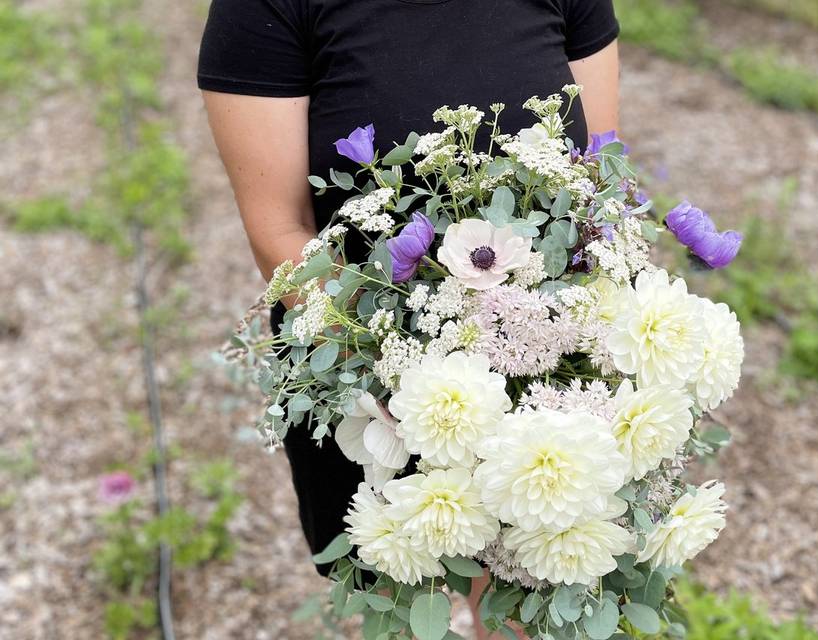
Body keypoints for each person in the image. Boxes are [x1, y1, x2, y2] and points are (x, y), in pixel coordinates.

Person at [198, 1, 620, 637]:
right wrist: (408, 378)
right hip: (375, 376)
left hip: (544, 359)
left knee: (531, 597)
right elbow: (279, 230)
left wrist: (561, 356)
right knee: (405, 593)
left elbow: (590, 187)